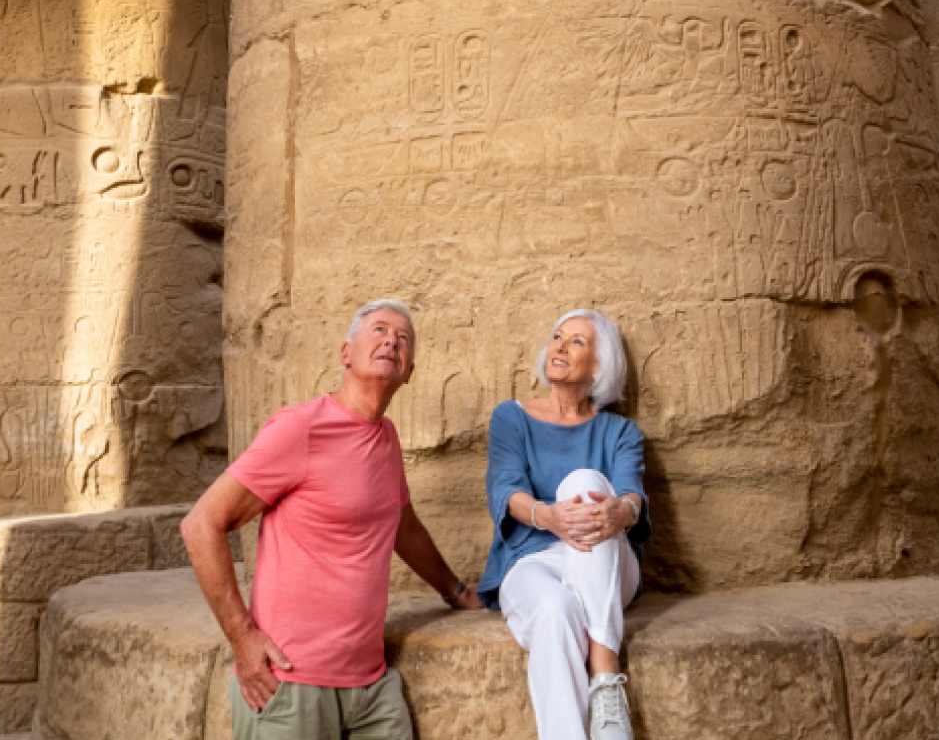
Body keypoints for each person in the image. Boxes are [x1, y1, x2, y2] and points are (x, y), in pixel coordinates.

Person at [181, 300, 486, 740]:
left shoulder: (386, 437)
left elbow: (403, 526)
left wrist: (455, 591)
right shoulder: (301, 427)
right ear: (346, 353)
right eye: (379, 330)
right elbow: (200, 524)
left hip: (370, 686)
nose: (391, 341)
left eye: (403, 338)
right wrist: (243, 639)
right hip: (290, 683)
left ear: (410, 371)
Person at [479, 310, 650, 740]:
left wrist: (623, 512)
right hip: (531, 559)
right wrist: (548, 516)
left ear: (599, 365)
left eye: (577, 341)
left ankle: (605, 677)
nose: (559, 346)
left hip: (606, 563)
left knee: (584, 484)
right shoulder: (511, 417)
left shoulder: (620, 431)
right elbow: (505, 487)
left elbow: (632, 492)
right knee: (555, 612)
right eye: (557, 336)